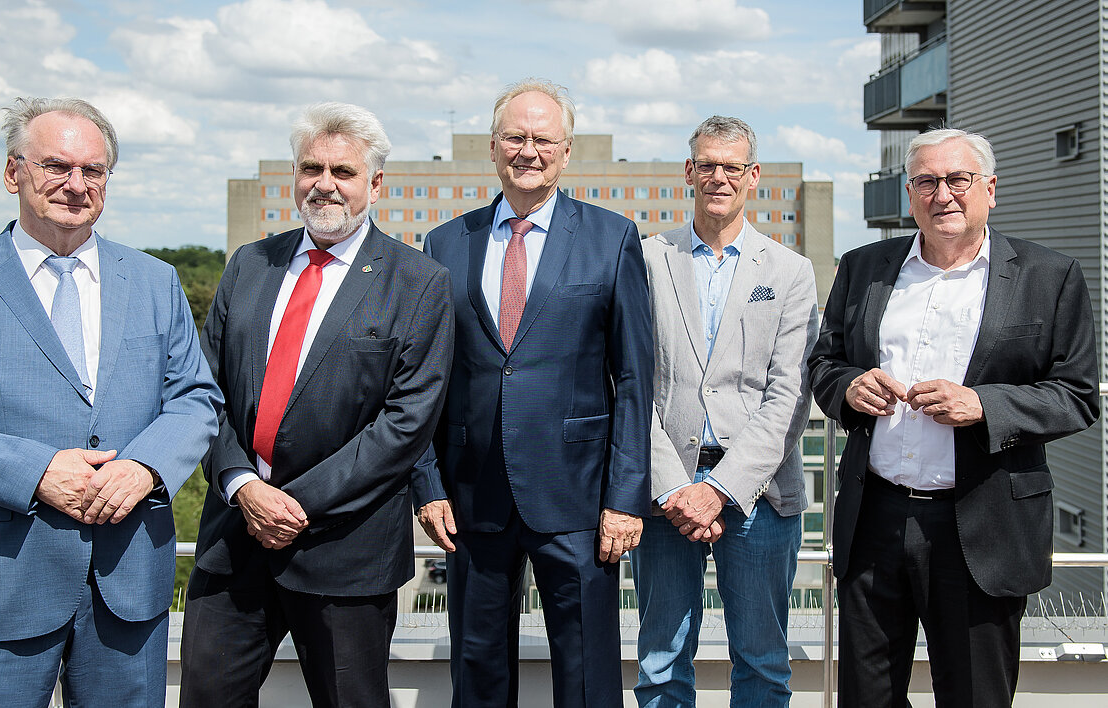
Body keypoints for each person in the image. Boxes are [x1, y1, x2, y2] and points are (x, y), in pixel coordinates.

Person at [0, 96, 222, 707]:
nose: (75, 185)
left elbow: (194, 397)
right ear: (14, 173)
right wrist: (35, 472)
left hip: (126, 587)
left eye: (93, 171)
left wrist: (145, 468)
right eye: (56, 166)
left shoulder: (154, 281)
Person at [808, 128, 1099, 706]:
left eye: (958, 180)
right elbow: (824, 361)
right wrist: (849, 387)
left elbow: (1077, 395)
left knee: (973, 696)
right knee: (867, 697)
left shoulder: (1050, 276)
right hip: (875, 520)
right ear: (909, 195)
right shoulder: (864, 266)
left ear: (990, 189)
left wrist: (985, 405)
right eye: (926, 182)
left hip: (981, 525)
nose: (943, 194)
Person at [180, 102, 453, 708]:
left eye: (344, 172)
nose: (324, 184)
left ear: (375, 184)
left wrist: (292, 503)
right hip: (236, 534)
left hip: (345, 548)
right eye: (311, 167)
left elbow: (406, 423)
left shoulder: (418, 282)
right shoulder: (250, 264)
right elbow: (204, 390)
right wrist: (242, 486)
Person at [412, 78, 653, 707]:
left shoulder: (613, 238)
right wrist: (428, 483)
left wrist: (626, 497)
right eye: (515, 137)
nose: (528, 150)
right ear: (492, 149)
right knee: (478, 669)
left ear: (567, 151)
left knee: (586, 674)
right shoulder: (444, 244)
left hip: (578, 498)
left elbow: (632, 378)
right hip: (472, 497)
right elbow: (426, 380)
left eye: (542, 138)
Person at [631, 115, 819, 707]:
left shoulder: (790, 272)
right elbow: (630, 384)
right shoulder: (646, 260)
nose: (719, 176)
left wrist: (720, 488)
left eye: (732, 167)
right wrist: (674, 488)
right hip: (666, 493)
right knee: (661, 660)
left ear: (753, 176)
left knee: (763, 662)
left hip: (760, 496)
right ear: (688, 173)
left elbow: (789, 395)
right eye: (706, 164)